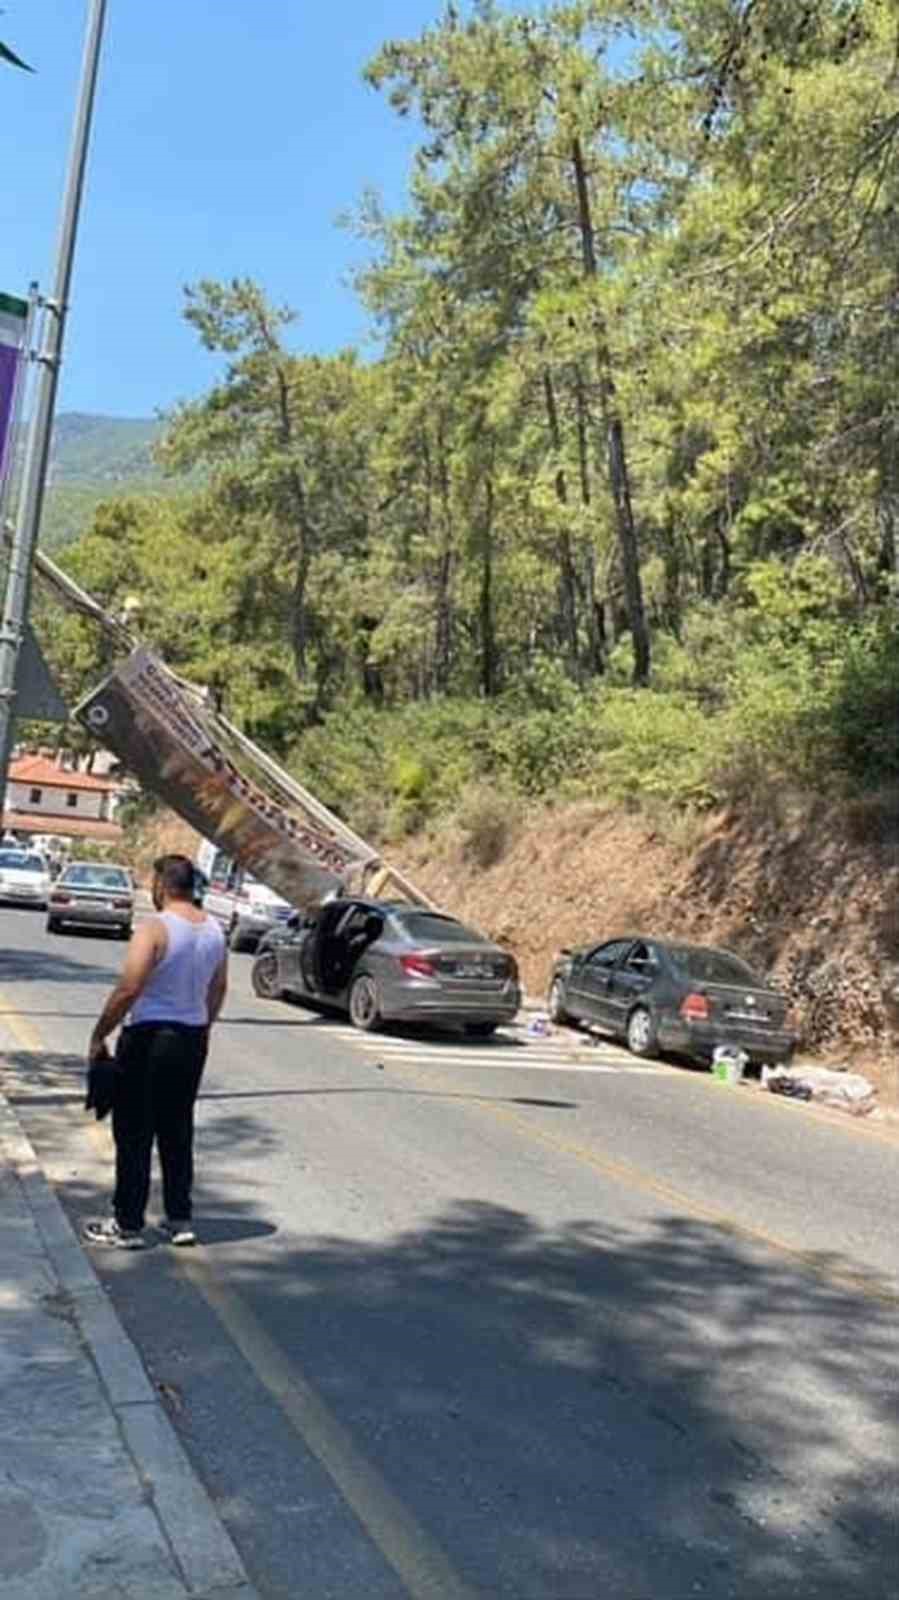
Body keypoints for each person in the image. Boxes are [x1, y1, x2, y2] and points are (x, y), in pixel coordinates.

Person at [84, 853, 228, 1250]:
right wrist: (203, 1027)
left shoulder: (155, 928)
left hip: (149, 1038)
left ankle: (128, 1224)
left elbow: (129, 988)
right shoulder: (215, 930)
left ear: (162, 885)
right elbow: (218, 989)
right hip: (191, 1039)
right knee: (177, 1128)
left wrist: (100, 1035)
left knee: (134, 1131)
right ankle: (179, 1219)